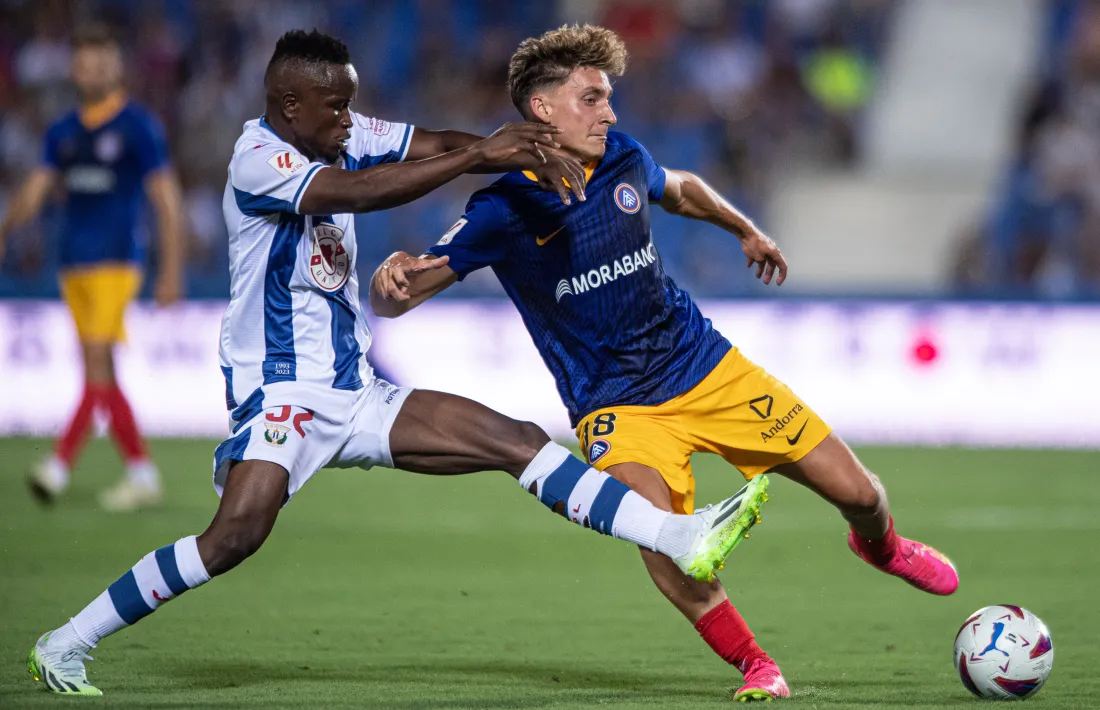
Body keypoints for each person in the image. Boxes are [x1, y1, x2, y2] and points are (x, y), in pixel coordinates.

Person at [26, 30, 766, 697]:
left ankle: (680, 535)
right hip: (284, 394)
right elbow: (357, 192)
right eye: (336, 108)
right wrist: (482, 156)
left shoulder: (336, 130)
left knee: (515, 441)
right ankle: (65, 644)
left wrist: (515, 148)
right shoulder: (258, 159)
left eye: (351, 105)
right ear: (291, 105)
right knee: (232, 539)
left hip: (356, 392)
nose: (351, 121)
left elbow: (425, 142)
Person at [369, 24, 961, 703]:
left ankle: (881, 548)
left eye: (609, 98)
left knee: (860, 494)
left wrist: (744, 229)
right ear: (542, 109)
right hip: (615, 407)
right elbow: (405, 294)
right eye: (591, 98)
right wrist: (393, 283)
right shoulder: (503, 207)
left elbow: (679, 188)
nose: (609, 113)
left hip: (703, 366)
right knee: (664, 540)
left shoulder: (621, 156)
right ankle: (757, 666)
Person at [0, 24, 184, 511]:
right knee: (98, 376)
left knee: (98, 366)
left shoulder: (138, 126)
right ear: (74, 70)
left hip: (117, 263)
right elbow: (37, 190)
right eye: (84, 62)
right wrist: (4, 228)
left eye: (101, 61)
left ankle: (58, 466)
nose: (92, 70)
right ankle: (142, 473)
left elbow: (166, 200)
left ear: (116, 67)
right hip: (73, 266)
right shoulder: (62, 131)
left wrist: (172, 270)